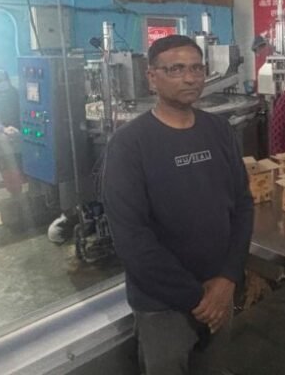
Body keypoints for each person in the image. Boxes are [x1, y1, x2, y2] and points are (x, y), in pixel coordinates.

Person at [102, 35, 254, 375]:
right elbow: (131, 237)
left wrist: (229, 277)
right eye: (176, 69)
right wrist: (198, 298)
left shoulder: (219, 130)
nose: (190, 78)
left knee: (216, 367)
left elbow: (243, 205)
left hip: (220, 290)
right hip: (164, 305)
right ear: (152, 77)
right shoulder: (129, 144)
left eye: (197, 68)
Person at [0, 69, 24, 225]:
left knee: (23, 171)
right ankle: (16, 205)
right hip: (3, 141)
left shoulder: (17, 95)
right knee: (10, 174)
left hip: (21, 137)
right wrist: (4, 129)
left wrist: (21, 128)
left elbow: (26, 111)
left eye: (3, 80)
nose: (2, 84)